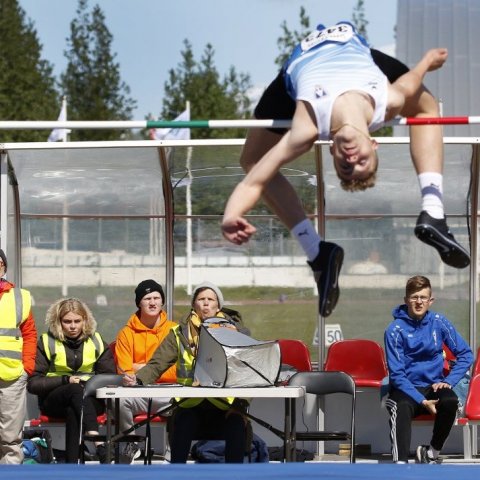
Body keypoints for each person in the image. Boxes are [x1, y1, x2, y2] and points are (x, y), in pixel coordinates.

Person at [222, 21, 470, 318]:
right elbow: (411, 81)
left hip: (300, 65)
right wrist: (428, 61)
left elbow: (254, 181)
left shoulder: (305, 128)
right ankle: (433, 212)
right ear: (374, 143)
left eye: (345, 166)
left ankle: (316, 251)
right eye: (360, 163)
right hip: (355, 50)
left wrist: (231, 214)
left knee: (253, 161)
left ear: (331, 149)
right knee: (427, 109)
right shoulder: (388, 101)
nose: (351, 159)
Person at [123, 281, 249, 463]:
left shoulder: (238, 331)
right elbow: (157, 364)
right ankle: (177, 474)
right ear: (194, 304)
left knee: (237, 423)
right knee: (182, 420)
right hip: (190, 405)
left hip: (227, 406)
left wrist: (240, 405)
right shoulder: (178, 333)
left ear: (218, 305)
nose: (205, 303)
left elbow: (248, 372)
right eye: (201, 299)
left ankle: (235, 476)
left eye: (210, 299)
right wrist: (138, 379)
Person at [384, 275, 473, 464]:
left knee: (450, 400)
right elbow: (398, 375)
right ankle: (400, 464)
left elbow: (466, 354)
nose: (418, 302)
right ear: (406, 299)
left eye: (423, 297)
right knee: (401, 407)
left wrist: (448, 382)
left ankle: (431, 452)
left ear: (430, 301)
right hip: (406, 388)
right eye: (414, 297)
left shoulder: (439, 322)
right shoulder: (394, 330)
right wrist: (423, 401)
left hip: (433, 385)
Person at [27, 298, 116, 464]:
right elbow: (33, 383)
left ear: (85, 321)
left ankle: (72, 464)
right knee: (74, 390)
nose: (73, 326)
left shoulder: (96, 341)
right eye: (67, 322)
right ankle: (98, 442)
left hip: (90, 401)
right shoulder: (46, 342)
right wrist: (66, 380)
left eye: (77, 321)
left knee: (74, 407)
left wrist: (86, 385)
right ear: (59, 322)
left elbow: (109, 376)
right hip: (54, 401)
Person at [114, 279, 177, 463]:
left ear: (162, 301)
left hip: (169, 392)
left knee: (183, 403)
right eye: (147, 298)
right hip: (138, 393)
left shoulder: (174, 330)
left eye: (157, 297)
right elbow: (125, 371)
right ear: (139, 303)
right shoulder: (126, 333)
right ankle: (130, 446)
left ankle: (173, 450)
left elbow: (178, 371)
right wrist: (155, 367)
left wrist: (142, 367)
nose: (152, 302)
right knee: (119, 401)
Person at [0, 249, 37, 464]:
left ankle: (11, 475)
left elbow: (30, 334)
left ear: (4, 267)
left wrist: (27, 367)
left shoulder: (19, 297)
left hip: (12, 376)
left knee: (10, 437)